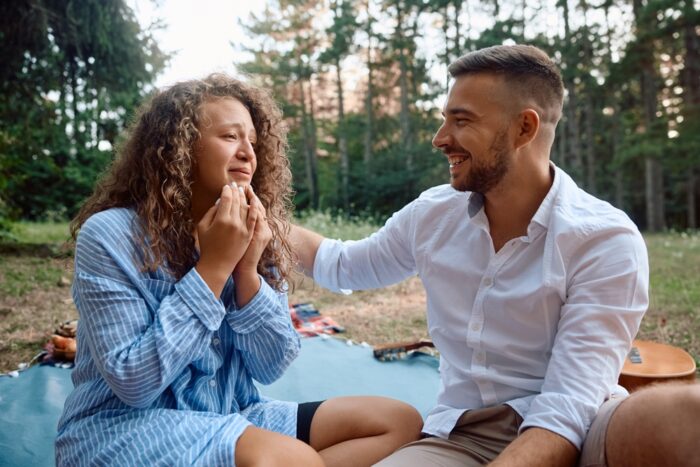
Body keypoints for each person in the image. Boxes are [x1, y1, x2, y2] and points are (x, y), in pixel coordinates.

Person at [291, 45, 700, 467]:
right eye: (444, 119)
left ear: (524, 128)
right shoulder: (430, 216)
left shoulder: (605, 239)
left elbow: (569, 405)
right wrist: (261, 222)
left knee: (690, 415)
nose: (440, 138)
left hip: (586, 430)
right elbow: (342, 264)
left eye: (461, 120)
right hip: (463, 441)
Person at [56, 74, 423, 467]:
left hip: (228, 412)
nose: (248, 152)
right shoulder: (112, 234)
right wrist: (213, 268)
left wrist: (247, 272)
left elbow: (271, 365)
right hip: (123, 428)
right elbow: (135, 383)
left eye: (253, 140)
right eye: (230, 137)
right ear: (177, 149)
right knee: (292, 459)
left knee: (398, 423)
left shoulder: (257, 230)